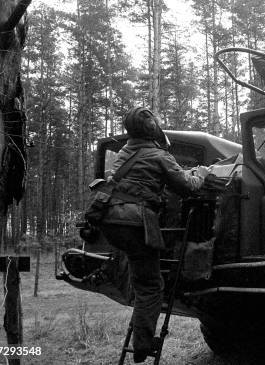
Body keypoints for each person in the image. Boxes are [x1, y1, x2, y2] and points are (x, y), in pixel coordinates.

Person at [99, 106, 209, 363]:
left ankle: (139, 330)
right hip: (133, 222)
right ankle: (142, 346)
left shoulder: (125, 152)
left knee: (141, 273)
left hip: (110, 220)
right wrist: (201, 175)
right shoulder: (159, 155)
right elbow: (186, 187)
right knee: (152, 285)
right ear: (153, 128)